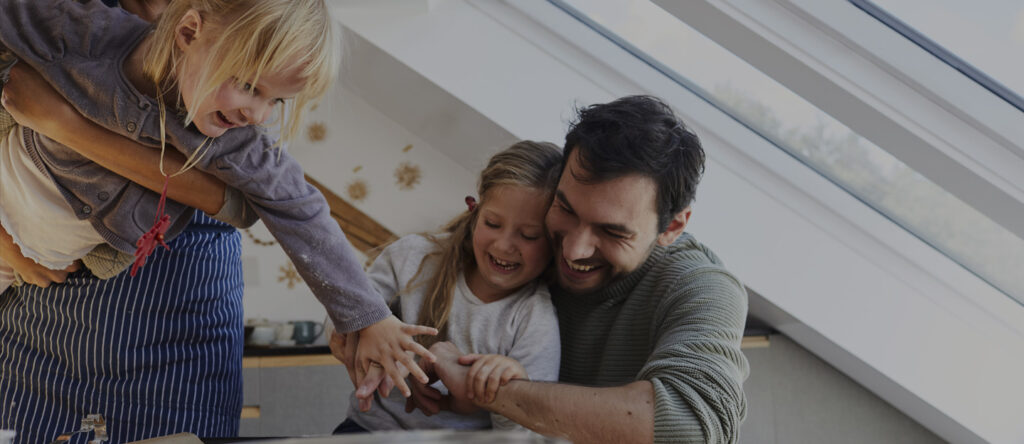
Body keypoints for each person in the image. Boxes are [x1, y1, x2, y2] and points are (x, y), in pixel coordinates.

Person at [0, 0, 436, 388]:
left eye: (276, 102)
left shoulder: (234, 140)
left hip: (47, 261)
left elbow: (301, 213)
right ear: (189, 33)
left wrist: (371, 316)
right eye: (249, 85)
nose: (258, 114)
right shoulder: (80, 29)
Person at [406, 96, 750, 443]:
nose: (573, 249)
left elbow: (692, 429)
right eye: (565, 208)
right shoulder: (520, 242)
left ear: (672, 227)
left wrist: (486, 389)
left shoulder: (702, 287)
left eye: (612, 231)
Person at [332, 141, 563, 433]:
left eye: (529, 235)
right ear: (475, 212)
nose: (504, 245)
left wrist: (508, 393)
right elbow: (341, 315)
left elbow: (524, 437)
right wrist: (369, 339)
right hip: (369, 432)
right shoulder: (411, 257)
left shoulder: (535, 320)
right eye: (492, 223)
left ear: (555, 243)